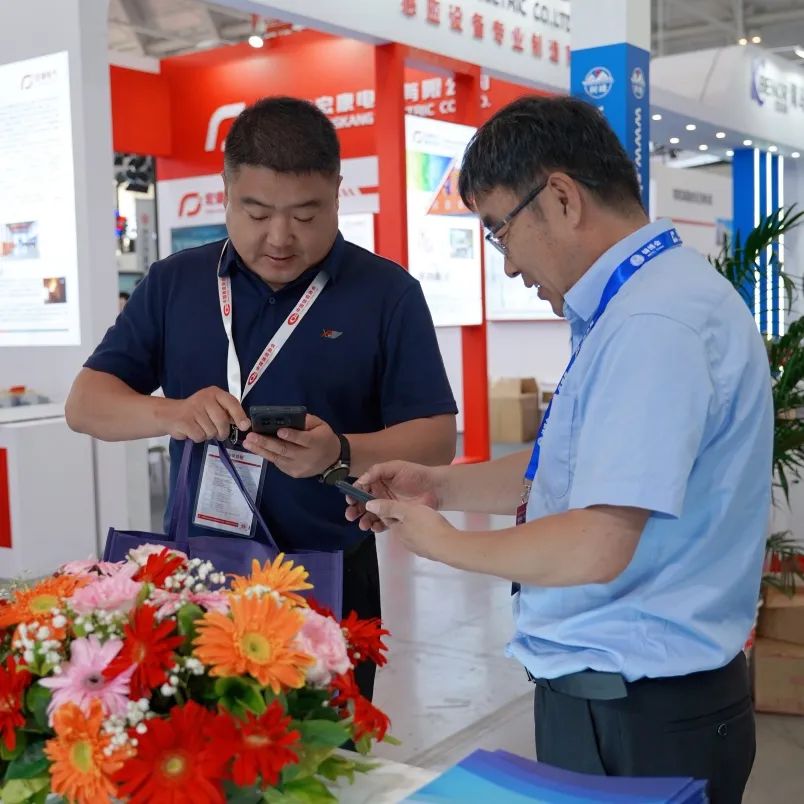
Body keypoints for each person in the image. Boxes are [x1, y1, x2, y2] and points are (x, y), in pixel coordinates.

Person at [347, 96, 772, 803]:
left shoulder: (653, 322)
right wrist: (438, 487)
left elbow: (596, 542)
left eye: (500, 230)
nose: (509, 264)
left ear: (563, 198)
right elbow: (574, 467)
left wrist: (446, 544)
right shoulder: (644, 303)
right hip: (626, 700)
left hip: (641, 713)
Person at [66, 96, 458, 701]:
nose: (279, 238)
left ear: (336, 194)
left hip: (326, 573)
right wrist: (172, 412)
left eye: (306, 215)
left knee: (324, 748)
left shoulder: (386, 294)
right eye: (256, 212)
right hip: (197, 572)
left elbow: (436, 437)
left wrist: (340, 451)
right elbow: (86, 404)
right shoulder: (176, 282)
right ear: (226, 193)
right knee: (195, 740)